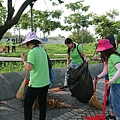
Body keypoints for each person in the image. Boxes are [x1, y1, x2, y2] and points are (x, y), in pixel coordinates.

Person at [21, 32, 50, 120]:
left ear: (28, 43)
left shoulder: (32, 52)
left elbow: (29, 67)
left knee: (27, 104)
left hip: (36, 83)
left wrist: (23, 60)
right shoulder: (42, 50)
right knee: (42, 104)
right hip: (45, 82)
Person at [95, 39, 120, 120]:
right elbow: (105, 71)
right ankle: (112, 115)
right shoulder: (108, 58)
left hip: (118, 83)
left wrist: (111, 81)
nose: (101, 54)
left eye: (102, 52)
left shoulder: (114, 57)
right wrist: (98, 77)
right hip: (113, 83)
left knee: (116, 102)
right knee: (111, 100)